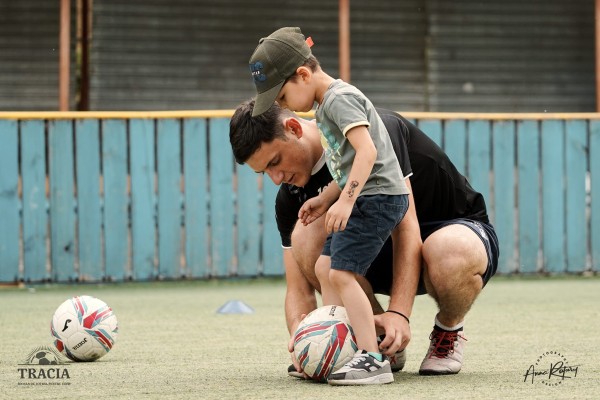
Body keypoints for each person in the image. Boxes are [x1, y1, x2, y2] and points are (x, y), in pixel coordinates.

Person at [229, 100, 500, 378]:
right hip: (379, 252)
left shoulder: (369, 133)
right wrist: (305, 340)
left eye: (275, 162)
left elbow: (406, 227)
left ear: (294, 128)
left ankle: (448, 329)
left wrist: (399, 313)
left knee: (447, 250)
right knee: (306, 233)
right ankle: (380, 342)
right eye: (264, 172)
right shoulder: (290, 196)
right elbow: (298, 290)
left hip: (452, 232)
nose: (276, 179)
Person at [247, 26, 411, 386]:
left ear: (303, 74)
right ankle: (337, 344)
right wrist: (325, 198)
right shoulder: (324, 107)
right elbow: (348, 162)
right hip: (366, 194)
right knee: (324, 266)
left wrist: (346, 201)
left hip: (379, 197)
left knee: (340, 273)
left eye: (284, 96)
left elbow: (367, 153)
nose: (283, 105)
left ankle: (372, 360)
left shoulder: (338, 99)